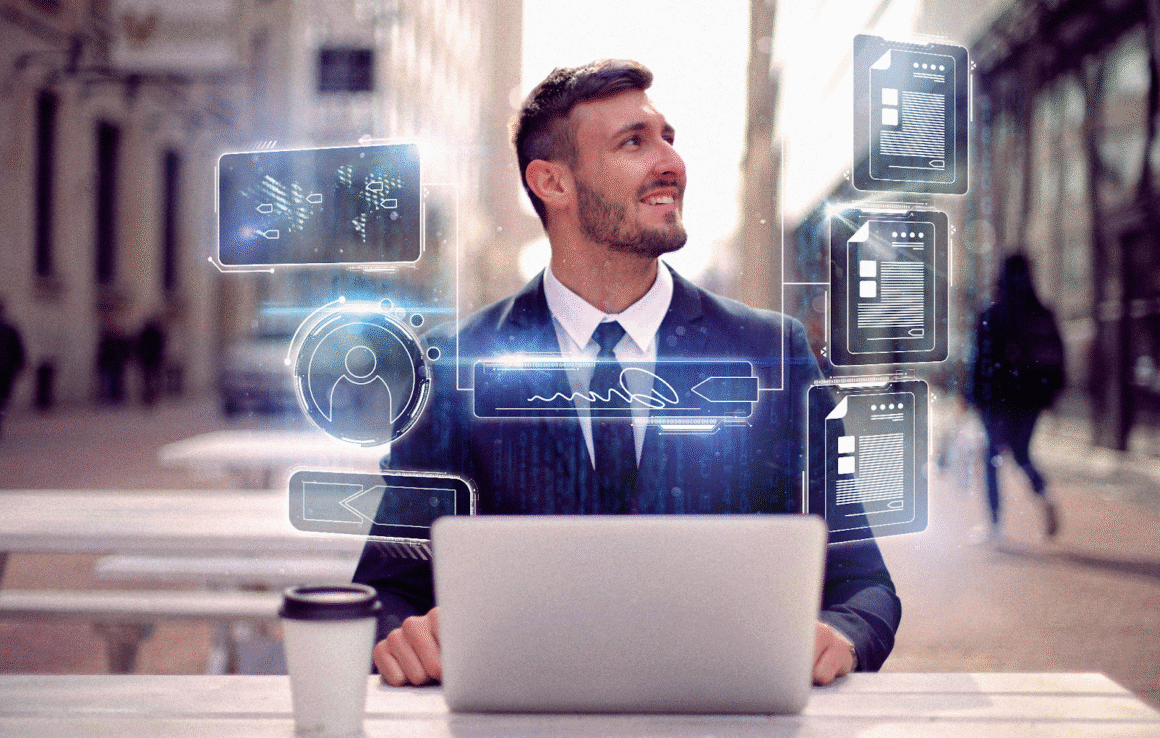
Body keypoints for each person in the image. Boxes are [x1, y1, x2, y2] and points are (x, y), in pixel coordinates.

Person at [353, 60, 900, 688]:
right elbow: (384, 590)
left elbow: (863, 581)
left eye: (668, 137)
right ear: (552, 183)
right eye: (633, 142)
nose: (669, 161)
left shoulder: (771, 355)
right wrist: (405, 635)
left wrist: (841, 635)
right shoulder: (453, 370)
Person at [967, 253, 1065, 539]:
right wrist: (1050, 394)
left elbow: (979, 361)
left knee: (992, 456)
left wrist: (972, 396)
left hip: (997, 399)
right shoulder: (1042, 313)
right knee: (1022, 453)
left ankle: (995, 524)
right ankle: (1044, 493)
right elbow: (1058, 359)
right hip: (1031, 399)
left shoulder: (993, 314)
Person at [0, 299, 26, 437]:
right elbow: (19, 349)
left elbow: (18, 348)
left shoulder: (10, 328)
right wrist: (21, 366)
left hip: (6, 368)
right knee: (4, 397)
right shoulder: (10, 328)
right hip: (6, 369)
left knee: (3, 397)